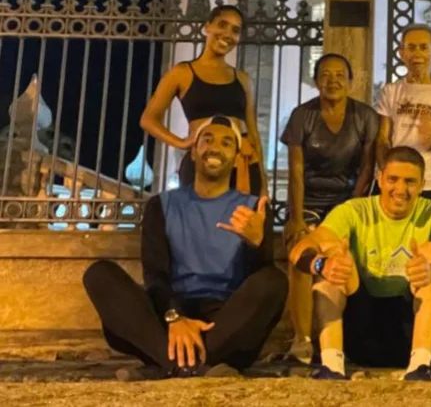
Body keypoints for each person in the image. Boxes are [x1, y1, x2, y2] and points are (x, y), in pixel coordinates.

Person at [82, 117, 286, 379]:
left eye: (226, 143)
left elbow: (260, 279)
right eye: (207, 140)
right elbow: (156, 276)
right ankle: (193, 365)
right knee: (100, 274)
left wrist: (256, 243)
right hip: (169, 312)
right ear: (194, 150)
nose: (215, 147)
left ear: (236, 157)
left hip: (224, 323)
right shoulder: (162, 205)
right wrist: (175, 318)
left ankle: (167, 362)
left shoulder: (253, 209)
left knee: (275, 281)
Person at [289, 146, 431, 381]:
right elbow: (300, 251)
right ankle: (332, 365)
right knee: (335, 255)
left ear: (421, 185)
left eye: (409, 182)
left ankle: (420, 366)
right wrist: (321, 265)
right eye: (393, 180)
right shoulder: (354, 210)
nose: (400, 189)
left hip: (414, 326)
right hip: (363, 333)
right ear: (380, 179)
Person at [280, 53, 378, 364]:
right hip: (308, 200)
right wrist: (296, 218)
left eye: (340, 74)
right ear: (316, 79)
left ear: (351, 81)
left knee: (343, 256)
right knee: (301, 255)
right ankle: (301, 339)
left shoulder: (364, 116)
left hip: (347, 200)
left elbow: (367, 167)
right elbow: (296, 171)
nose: (332, 80)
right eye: (325, 74)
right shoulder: (302, 116)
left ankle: (337, 338)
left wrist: (350, 210)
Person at [140, 4, 265, 194]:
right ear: (207, 27)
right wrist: (181, 142)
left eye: (235, 30)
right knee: (196, 221)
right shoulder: (182, 73)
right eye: (222, 25)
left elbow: (254, 135)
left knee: (241, 222)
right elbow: (148, 119)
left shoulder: (243, 79)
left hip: (241, 166)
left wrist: (263, 183)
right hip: (201, 163)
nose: (228, 34)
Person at [376, 23, 431, 204]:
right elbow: (383, 140)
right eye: (411, 48)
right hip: (397, 183)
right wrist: (386, 172)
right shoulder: (390, 91)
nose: (417, 54)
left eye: (424, 48)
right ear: (401, 53)